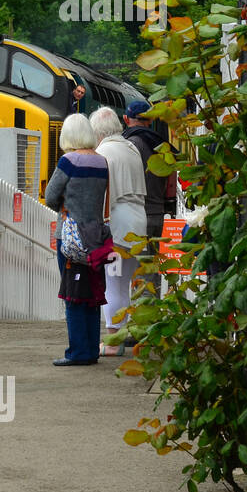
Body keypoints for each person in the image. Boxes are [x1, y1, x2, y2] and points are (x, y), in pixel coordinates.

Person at [44, 113, 110, 366]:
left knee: (73, 293)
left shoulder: (68, 161)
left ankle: (77, 352)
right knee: (92, 293)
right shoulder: (102, 162)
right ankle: (92, 349)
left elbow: (50, 196)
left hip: (70, 236)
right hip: (95, 236)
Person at [91, 106, 146, 355]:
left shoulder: (103, 152)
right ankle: (125, 333)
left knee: (112, 284)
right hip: (138, 220)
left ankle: (113, 342)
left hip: (117, 225)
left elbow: (103, 193)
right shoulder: (131, 147)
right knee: (126, 284)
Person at [122, 101, 174, 243]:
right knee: (152, 262)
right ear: (151, 120)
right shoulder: (161, 144)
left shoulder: (129, 144)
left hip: (137, 215)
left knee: (138, 264)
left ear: (126, 119)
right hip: (158, 213)